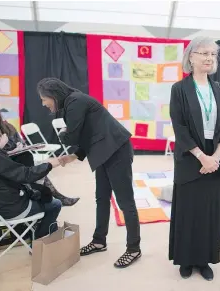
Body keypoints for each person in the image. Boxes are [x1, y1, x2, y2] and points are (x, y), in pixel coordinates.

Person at [36, 77, 142, 268]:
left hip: (116, 150)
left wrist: (62, 133)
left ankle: (134, 248)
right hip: (102, 152)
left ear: (53, 94)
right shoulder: (72, 103)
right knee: (101, 198)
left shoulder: (76, 102)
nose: (43, 103)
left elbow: (73, 135)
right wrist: (72, 157)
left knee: (125, 201)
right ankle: (99, 241)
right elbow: (89, 135)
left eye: (44, 99)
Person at [168, 36, 220, 281]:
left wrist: (215, 156)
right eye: (203, 53)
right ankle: (185, 260)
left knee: (208, 212)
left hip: (214, 156)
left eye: (212, 54)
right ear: (191, 57)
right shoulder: (179, 89)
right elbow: (180, 127)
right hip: (190, 156)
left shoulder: (218, 89)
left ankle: (204, 260)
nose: (208, 58)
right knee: (188, 210)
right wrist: (201, 156)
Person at [0, 118, 62, 239]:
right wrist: (49, 165)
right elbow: (24, 175)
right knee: (55, 204)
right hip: (13, 208)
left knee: (42, 192)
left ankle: (42, 234)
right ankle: (41, 241)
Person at [0, 102, 79, 207]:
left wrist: (21, 147)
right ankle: (54, 198)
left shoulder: (7, 126)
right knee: (36, 171)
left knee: (35, 168)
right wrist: (2, 146)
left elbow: (20, 142)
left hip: (19, 160)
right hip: (6, 167)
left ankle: (53, 197)